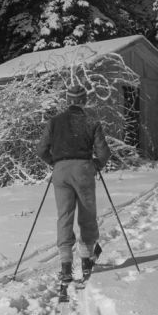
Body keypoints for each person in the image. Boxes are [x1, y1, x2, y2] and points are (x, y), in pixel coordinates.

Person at [37, 83, 111, 283]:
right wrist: (96, 165)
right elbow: (104, 152)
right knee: (87, 214)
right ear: (84, 101)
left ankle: (66, 265)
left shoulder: (54, 122)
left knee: (64, 216)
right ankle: (86, 261)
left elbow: (41, 150)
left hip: (61, 172)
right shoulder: (91, 122)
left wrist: (55, 162)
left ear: (67, 100)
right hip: (83, 171)